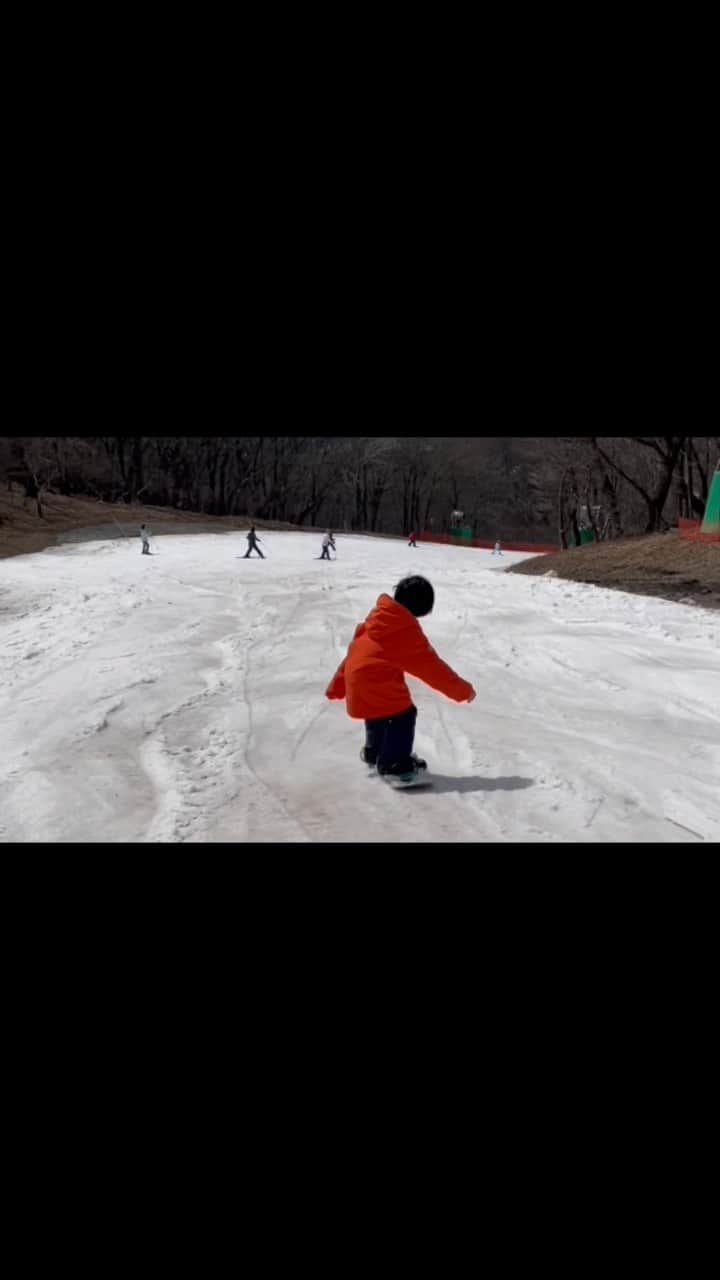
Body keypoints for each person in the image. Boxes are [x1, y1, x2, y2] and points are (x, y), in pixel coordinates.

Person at [325, 575, 476, 784]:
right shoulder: (403, 631)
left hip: (357, 682)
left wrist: (338, 685)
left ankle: (374, 751)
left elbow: (355, 653)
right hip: (374, 682)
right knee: (403, 714)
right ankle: (393, 763)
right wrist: (463, 691)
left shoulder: (376, 619)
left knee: (377, 709)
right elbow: (432, 669)